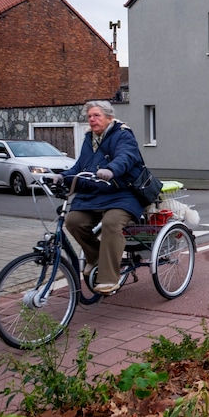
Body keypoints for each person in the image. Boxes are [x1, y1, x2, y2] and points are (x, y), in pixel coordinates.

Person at [58, 100, 147, 295]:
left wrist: (111, 169)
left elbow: (126, 157)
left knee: (111, 223)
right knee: (73, 221)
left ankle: (108, 279)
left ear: (109, 117)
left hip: (123, 192)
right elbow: (79, 166)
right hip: (97, 191)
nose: (92, 119)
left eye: (96, 115)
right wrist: (61, 176)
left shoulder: (123, 135)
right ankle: (97, 257)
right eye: (89, 116)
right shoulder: (89, 139)